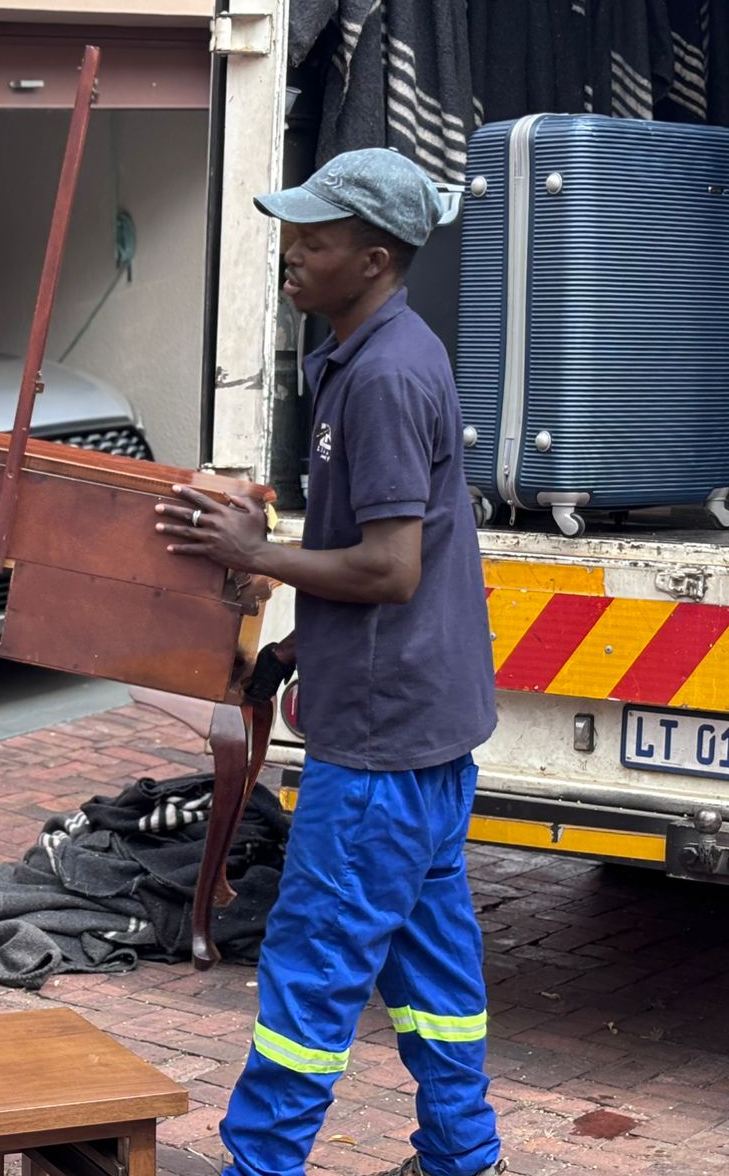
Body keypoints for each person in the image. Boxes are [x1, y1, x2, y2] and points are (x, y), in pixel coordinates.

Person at [154, 149, 504, 1176]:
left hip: (382, 750)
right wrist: (305, 638)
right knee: (434, 972)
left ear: (376, 256)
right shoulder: (374, 354)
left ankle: (259, 1167)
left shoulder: (385, 376)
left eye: (316, 240)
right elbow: (413, 542)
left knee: (310, 975)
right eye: (290, 234)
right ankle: (461, 1155)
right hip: (426, 734)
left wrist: (250, 556)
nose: (291, 254)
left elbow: (392, 567)